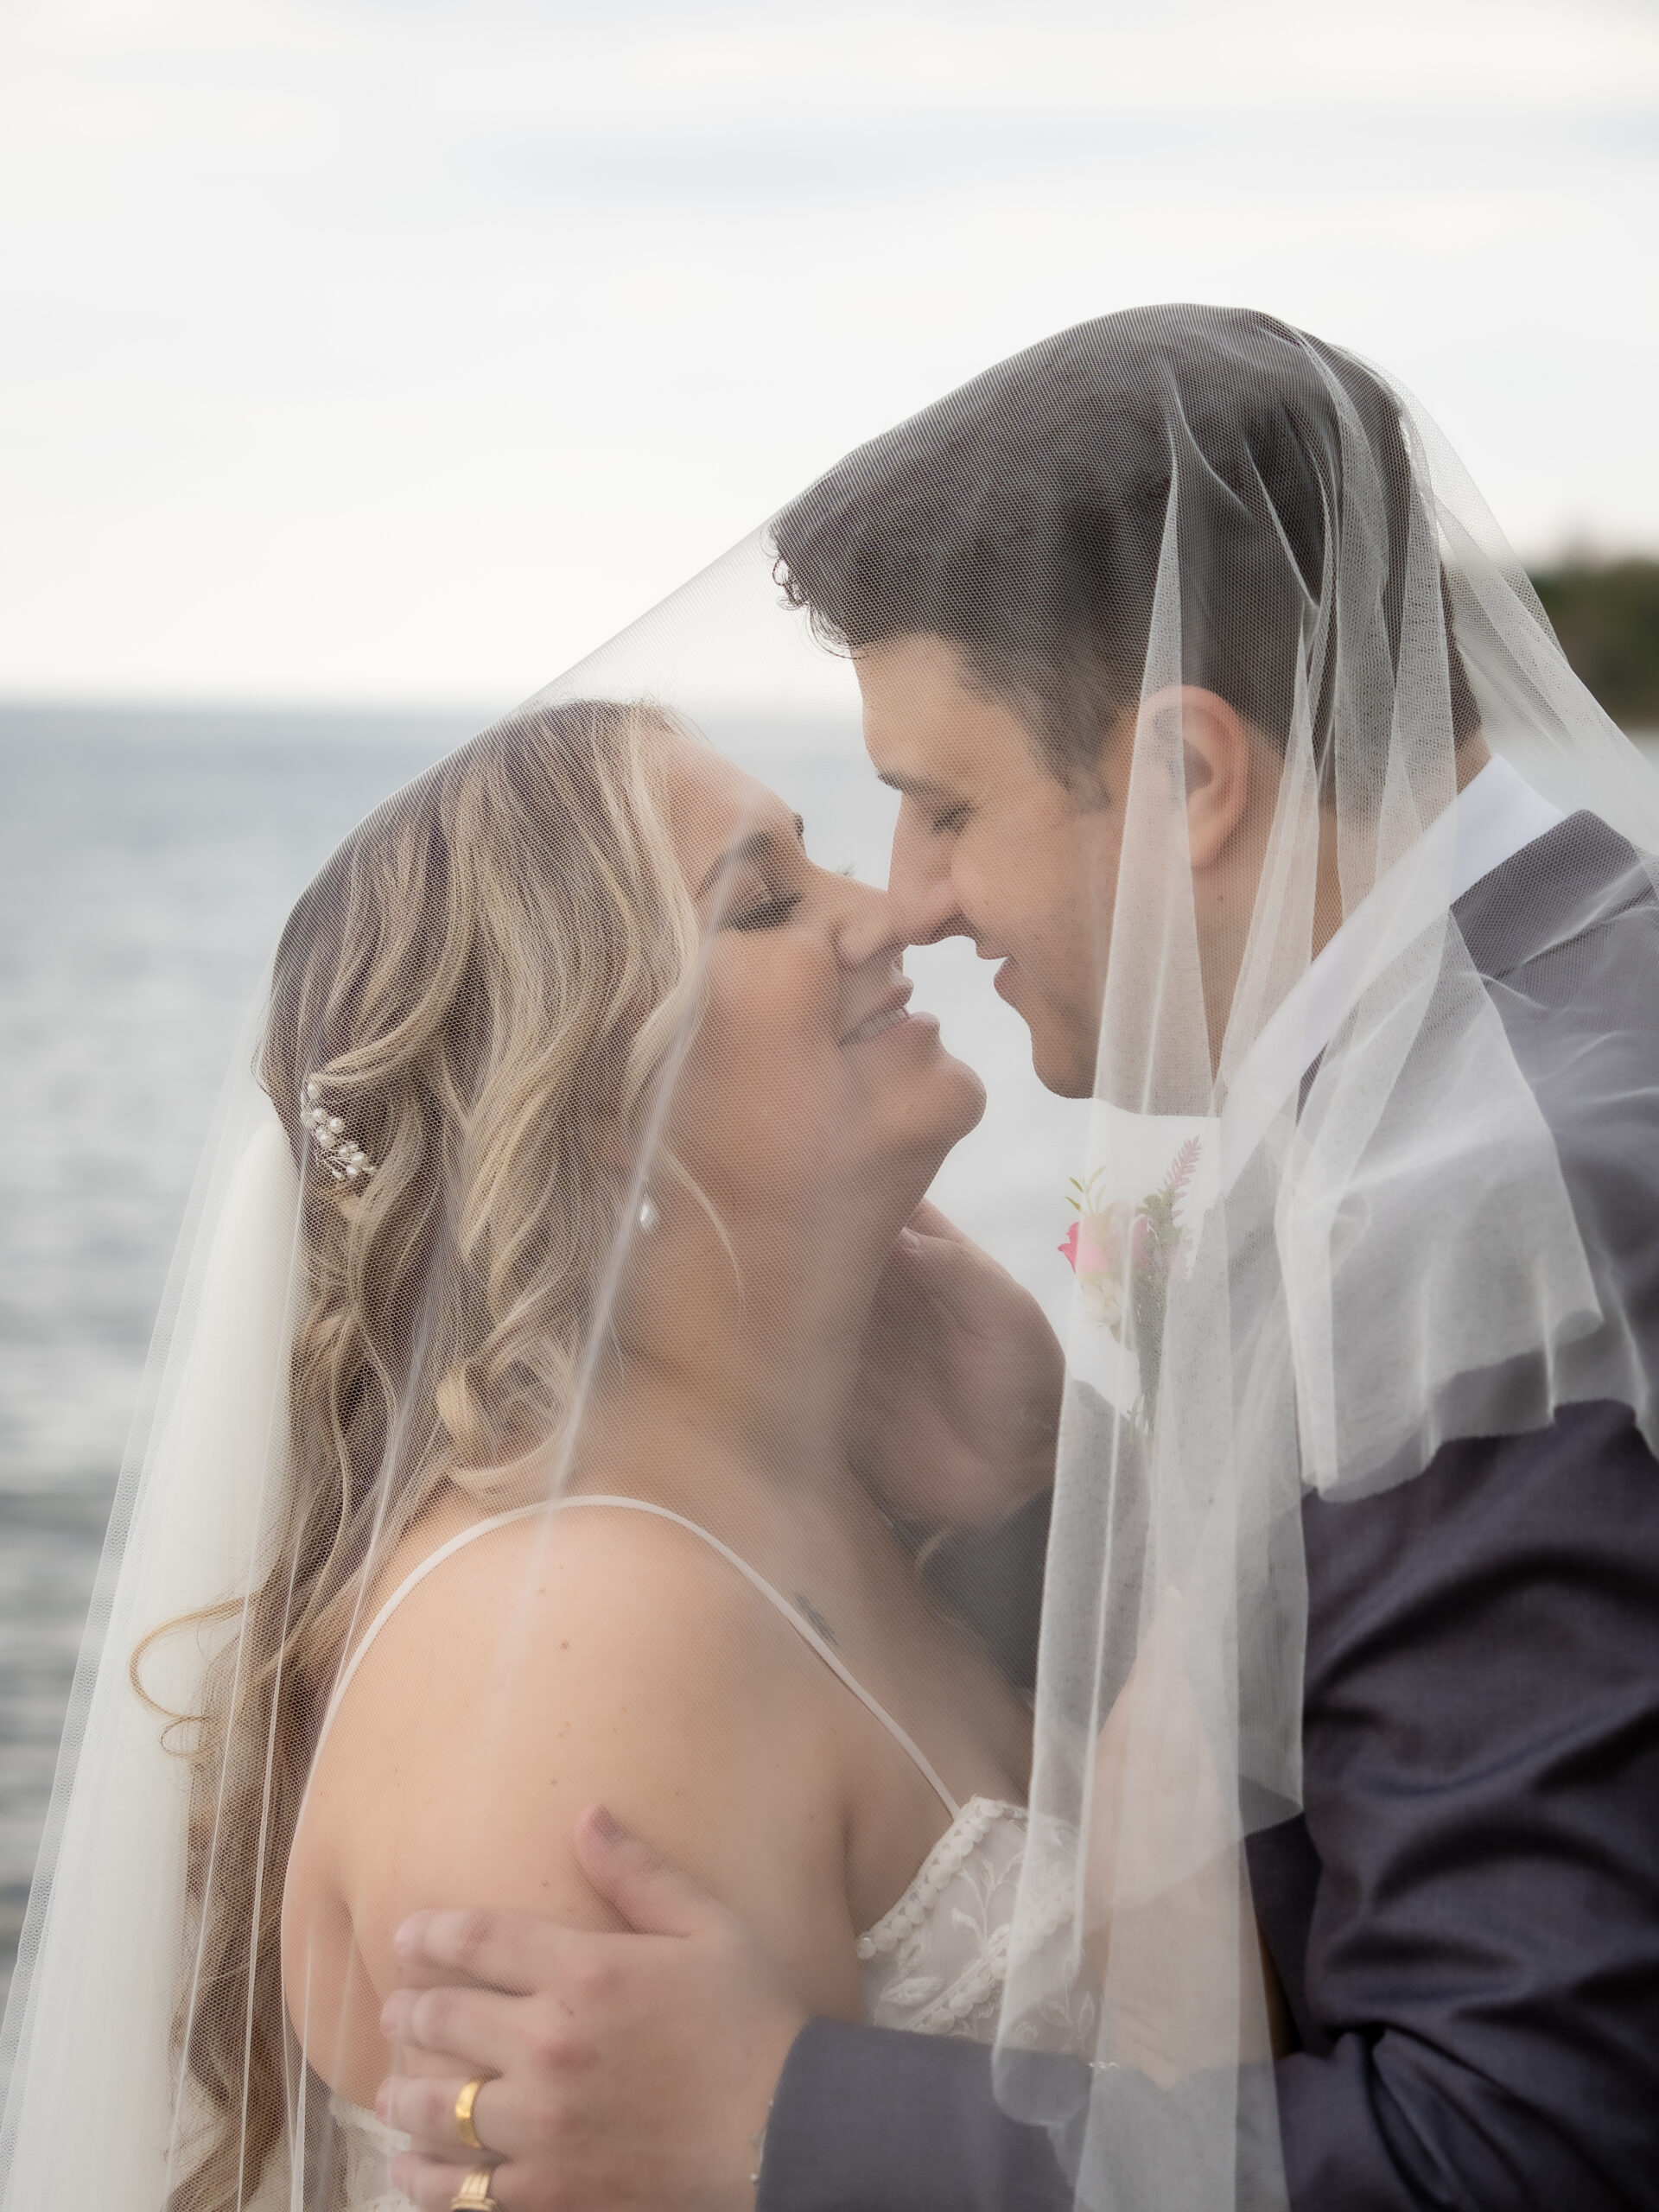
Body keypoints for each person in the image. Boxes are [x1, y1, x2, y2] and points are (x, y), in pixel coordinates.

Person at [379, 308, 1659, 2212]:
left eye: (948, 803)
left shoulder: (1472, 1199)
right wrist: (1069, 1487)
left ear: (1187, 775)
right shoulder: (1575, 996)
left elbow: (1522, 2147)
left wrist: (774, 2116)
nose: (911, 895)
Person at [0, 698, 1065, 2211]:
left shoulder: (849, 1500)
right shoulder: (584, 1643)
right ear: (596, 1098)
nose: (893, 910)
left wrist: (1044, 1484)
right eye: (762, 900)